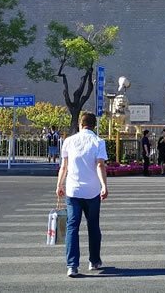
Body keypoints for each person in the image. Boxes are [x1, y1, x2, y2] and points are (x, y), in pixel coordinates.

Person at [55, 111, 108, 278]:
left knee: (72, 227)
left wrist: (59, 185)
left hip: (73, 191)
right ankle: (94, 261)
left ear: (80, 124)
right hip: (92, 191)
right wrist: (104, 186)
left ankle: (72, 265)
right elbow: (100, 165)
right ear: (94, 126)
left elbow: (64, 166)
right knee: (93, 226)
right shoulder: (98, 142)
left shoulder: (69, 141)